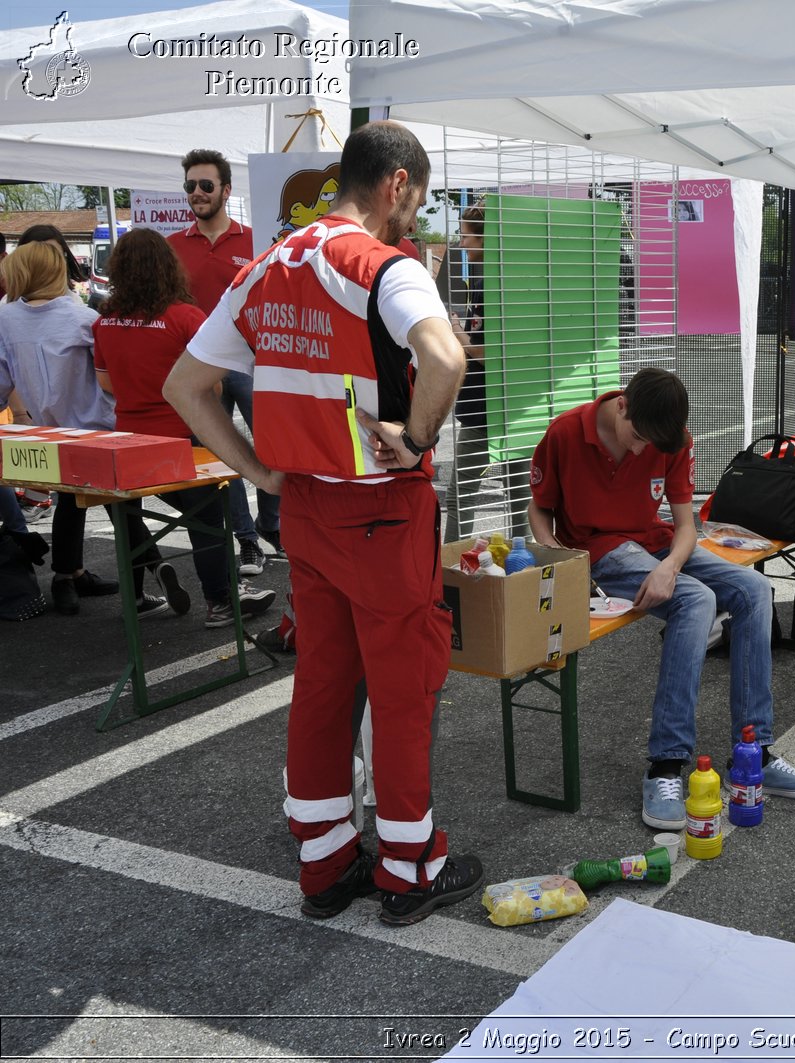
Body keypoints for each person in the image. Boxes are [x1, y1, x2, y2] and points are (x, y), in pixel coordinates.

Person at [164, 120, 482, 926]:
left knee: (322, 685)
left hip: (302, 508)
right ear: (397, 184)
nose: (417, 215)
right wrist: (414, 439)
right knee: (403, 690)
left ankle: (325, 858)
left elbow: (186, 385)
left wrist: (258, 469)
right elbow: (446, 358)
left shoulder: (267, 262)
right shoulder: (381, 265)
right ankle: (410, 867)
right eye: (419, 197)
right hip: (378, 510)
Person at [528, 367, 795, 830]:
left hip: (655, 545)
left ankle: (754, 753)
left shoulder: (672, 439)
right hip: (599, 555)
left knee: (754, 589)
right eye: (636, 438)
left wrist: (668, 566)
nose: (638, 449)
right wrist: (555, 558)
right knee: (696, 601)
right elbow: (539, 508)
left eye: (649, 444)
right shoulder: (566, 432)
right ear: (623, 406)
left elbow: (687, 527)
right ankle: (666, 764)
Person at [93, 229, 276, 626]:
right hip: (182, 438)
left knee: (128, 519)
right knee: (208, 521)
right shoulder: (186, 317)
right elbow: (208, 386)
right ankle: (221, 600)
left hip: (127, 440)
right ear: (168, 267)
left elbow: (106, 384)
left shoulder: (105, 322)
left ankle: (139, 597)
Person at [168, 147, 277, 577]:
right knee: (220, 456)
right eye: (190, 185)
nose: (197, 192)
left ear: (226, 190)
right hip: (201, 368)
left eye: (205, 185)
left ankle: (274, 527)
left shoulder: (255, 239)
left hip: (254, 365)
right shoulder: (172, 246)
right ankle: (247, 541)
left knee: (272, 448)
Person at [0, 239, 120, 614]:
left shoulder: (6, 318)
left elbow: (2, 381)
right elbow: (112, 376)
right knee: (119, 502)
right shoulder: (83, 318)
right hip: (98, 427)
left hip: (50, 430)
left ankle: (69, 577)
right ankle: (148, 568)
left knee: (74, 497)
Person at [438, 202, 532, 544]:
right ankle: (525, 570)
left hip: (485, 411)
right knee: (519, 499)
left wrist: (456, 330)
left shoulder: (489, 283)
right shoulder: (513, 278)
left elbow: (487, 353)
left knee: (459, 497)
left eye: (467, 237)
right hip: (517, 407)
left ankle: (451, 575)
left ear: (486, 239)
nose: (463, 244)